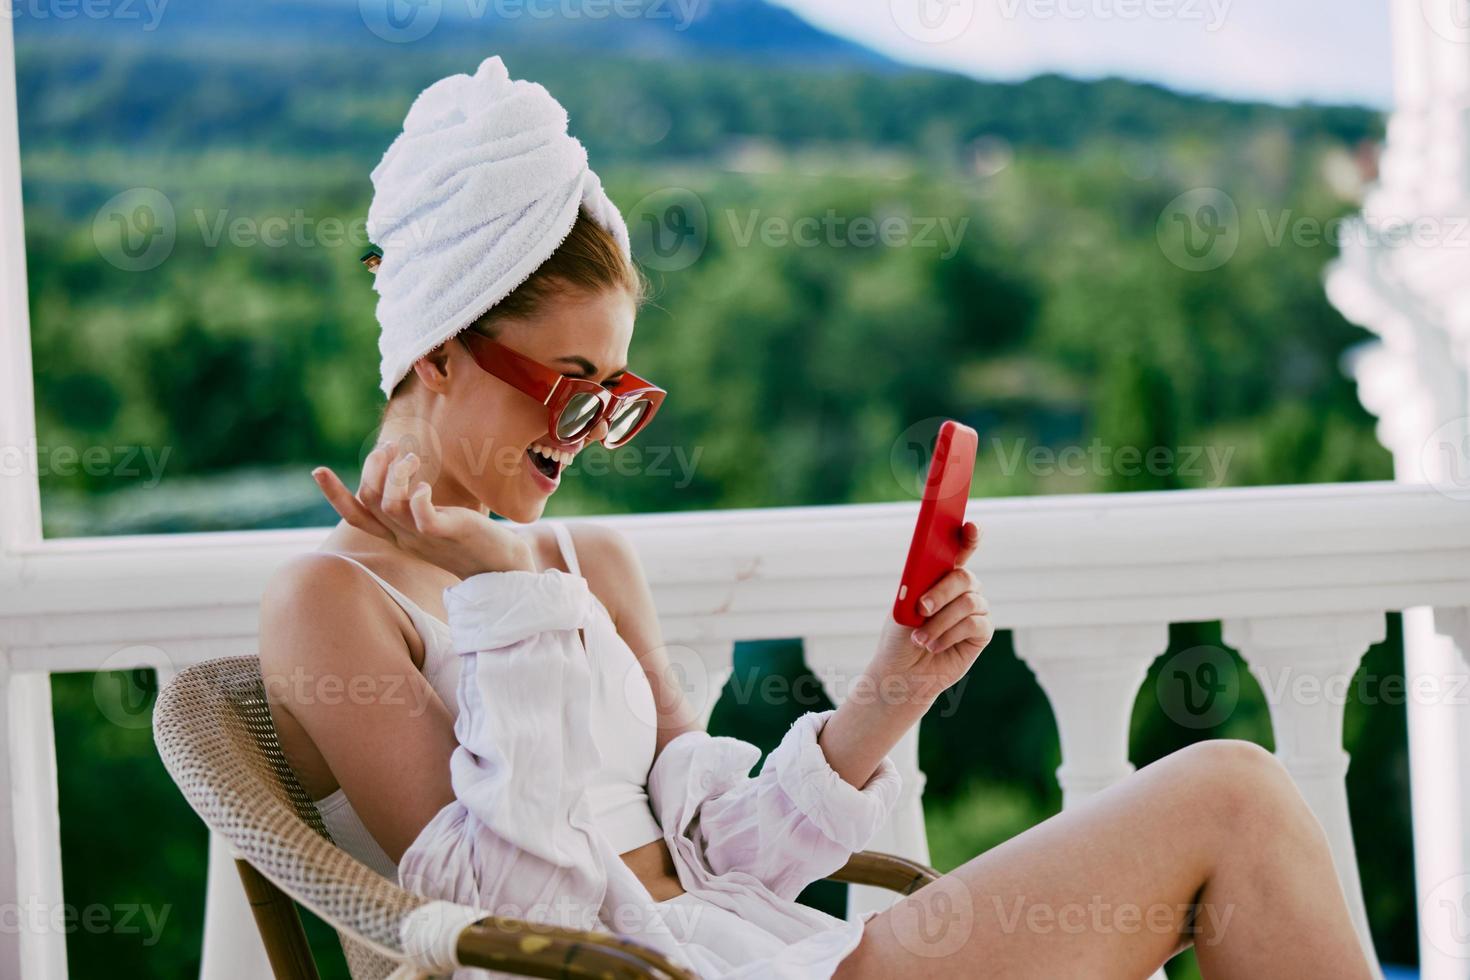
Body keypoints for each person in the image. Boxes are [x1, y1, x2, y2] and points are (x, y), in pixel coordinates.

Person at [258, 56, 1375, 979]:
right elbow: (511, 921)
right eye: (569, 380)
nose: (590, 426)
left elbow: (724, 856)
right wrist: (506, 589)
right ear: (442, 349)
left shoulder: (581, 556)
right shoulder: (334, 601)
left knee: (1243, 800)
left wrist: (894, 692)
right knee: (1232, 797)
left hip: (775, 949)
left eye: (617, 394)